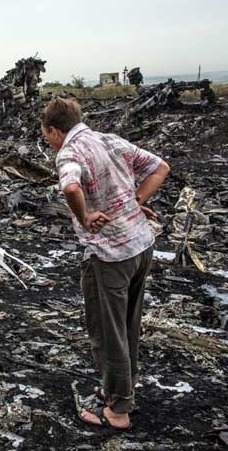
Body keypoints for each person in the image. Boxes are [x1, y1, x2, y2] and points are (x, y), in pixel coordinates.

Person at [40, 98, 170, 430]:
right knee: (128, 325)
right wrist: (134, 202)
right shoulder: (110, 140)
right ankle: (121, 387)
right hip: (142, 247)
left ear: (54, 130)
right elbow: (160, 167)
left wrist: (84, 217)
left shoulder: (69, 153)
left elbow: (70, 185)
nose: (47, 141)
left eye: (46, 134)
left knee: (108, 332)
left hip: (111, 255)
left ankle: (118, 411)